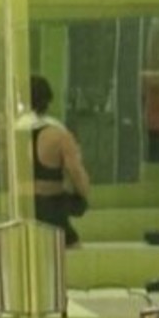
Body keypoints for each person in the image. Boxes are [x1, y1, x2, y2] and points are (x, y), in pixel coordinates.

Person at [25, 75, 91, 247]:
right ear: (48, 100)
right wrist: (83, 195)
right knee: (72, 252)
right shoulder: (58, 135)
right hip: (50, 208)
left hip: (21, 205)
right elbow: (76, 173)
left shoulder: (12, 132)